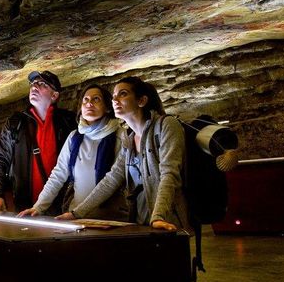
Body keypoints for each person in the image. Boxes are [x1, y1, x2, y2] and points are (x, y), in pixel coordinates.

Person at [61, 77, 191, 232]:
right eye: (114, 96)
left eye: (122, 94)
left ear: (141, 100)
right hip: (140, 221)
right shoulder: (129, 139)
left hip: (167, 221)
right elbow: (112, 179)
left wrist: (158, 217)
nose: (114, 99)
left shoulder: (166, 126)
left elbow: (169, 175)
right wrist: (76, 213)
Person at [18, 84, 124, 220]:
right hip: (74, 216)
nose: (89, 103)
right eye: (85, 100)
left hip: (108, 218)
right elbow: (59, 174)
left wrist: (77, 213)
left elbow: (112, 180)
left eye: (96, 99)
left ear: (108, 107)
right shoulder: (74, 137)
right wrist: (38, 207)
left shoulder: (119, 136)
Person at [0, 70, 78, 214]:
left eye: (42, 84)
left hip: (62, 203)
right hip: (25, 203)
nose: (35, 87)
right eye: (33, 83)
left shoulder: (68, 122)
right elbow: (0, 158)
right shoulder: (16, 123)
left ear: (54, 95)